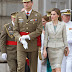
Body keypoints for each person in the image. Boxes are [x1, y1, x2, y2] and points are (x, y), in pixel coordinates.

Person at [13, 0, 42, 72]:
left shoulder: (37, 15)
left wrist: (28, 36)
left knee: (33, 67)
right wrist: (20, 38)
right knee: (20, 66)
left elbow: (39, 30)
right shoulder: (18, 15)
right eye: (24, 2)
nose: (26, 4)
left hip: (32, 43)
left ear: (32, 3)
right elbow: (15, 30)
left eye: (28, 2)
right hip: (21, 44)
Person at [43, 8, 68, 72]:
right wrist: (44, 49)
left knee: (58, 66)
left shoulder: (62, 24)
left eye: (54, 14)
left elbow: (64, 37)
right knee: (53, 68)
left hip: (60, 48)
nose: (52, 16)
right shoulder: (48, 25)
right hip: (50, 48)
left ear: (58, 15)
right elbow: (45, 38)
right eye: (51, 14)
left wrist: (66, 47)